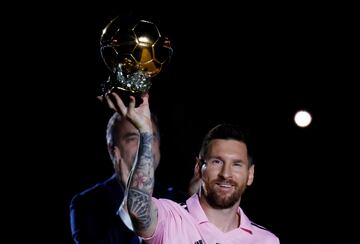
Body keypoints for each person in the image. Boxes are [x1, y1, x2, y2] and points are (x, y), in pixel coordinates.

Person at [110, 91, 280, 243]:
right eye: (217, 162)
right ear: (199, 167)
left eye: (237, 164)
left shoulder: (266, 240)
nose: (226, 174)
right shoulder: (170, 218)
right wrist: (145, 133)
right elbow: (139, 211)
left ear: (250, 174)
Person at [69, 92, 188, 244]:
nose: (146, 147)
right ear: (113, 150)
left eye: (150, 137)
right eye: (133, 138)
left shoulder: (179, 198)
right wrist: (130, 202)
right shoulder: (87, 204)